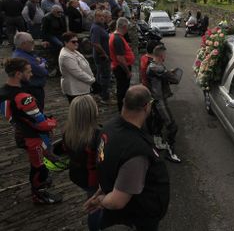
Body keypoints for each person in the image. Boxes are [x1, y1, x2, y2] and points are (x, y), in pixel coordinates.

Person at [84, 85, 170, 231]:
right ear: (146, 107)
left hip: (116, 200)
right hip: (137, 216)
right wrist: (101, 200)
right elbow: (118, 201)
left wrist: (101, 190)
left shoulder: (108, 128)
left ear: (124, 102)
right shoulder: (135, 151)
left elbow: (107, 164)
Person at [0, 58, 62, 204]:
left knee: (37, 165)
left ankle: (38, 192)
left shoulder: (3, 92)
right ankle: (39, 196)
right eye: (28, 71)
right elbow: (42, 124)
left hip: (21, 133)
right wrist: (53, 122)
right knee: (39, 168)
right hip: (33, 138)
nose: (31, 74)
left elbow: (10, 116)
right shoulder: (23, 97)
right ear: (18, 74)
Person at [63, 95, 102, 231]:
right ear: (91, 112)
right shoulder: (96, 136)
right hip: (91, 179)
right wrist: (95, 189)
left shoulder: (68, 130)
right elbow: (97, 164)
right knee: (95, 207)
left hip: (76, 174)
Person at [147, 46, 182, 163]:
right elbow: (175, 79)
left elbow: (163, 75)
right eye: (165, 55)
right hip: (159, 100)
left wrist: (168, 72)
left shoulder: (155, 65)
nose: (165, 57)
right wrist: (174, 72)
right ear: (162, 56)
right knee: (172, 126)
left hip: (157, 98)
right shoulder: (156, 68)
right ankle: (170, 152)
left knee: (158, 121)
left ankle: (157, 143)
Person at [12, 32, 48, 111]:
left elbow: (42, 60)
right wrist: (42, 65)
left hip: (33, 88)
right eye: (31, 41)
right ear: (23, 44)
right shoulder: (22, 58)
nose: (33, 43)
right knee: (36, 112)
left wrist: (41, 63)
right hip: (32, 90)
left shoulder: (26, 53)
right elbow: (43, 72)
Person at [58, 32, 95, 103]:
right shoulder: (65, 56)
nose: (76, 43)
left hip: (80, 88)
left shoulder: (73, 51)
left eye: (77, 41)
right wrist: (92, 81)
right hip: (75, 90)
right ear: (65, 42)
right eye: (73, 41)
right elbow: (78, 73)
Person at [109, 17, 135, 112]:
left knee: (122, 89)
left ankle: (123, 108)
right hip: (121, 69)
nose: (128, 28)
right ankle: (122, 110)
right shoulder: (117, 39)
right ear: (124, 26)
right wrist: (128, 72)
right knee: (122, 90)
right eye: (127, 26)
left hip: (119, 67)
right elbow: (120, 58)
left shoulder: (116, 36)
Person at [90, 10, 113, 105]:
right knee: (105, 76)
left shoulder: (100, 27)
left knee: (100, 75)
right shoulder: (96, 28)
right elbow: (95, 43)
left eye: (103, 16)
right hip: (101, 57)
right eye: (99, 16)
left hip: (102, 56)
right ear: (95, 17)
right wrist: (104, 54)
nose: (102, 17)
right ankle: (105, 97)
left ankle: (100, 94)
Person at [42, 5, 67, 75]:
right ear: (53, 11)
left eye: (61, 12)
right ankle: (58, 63)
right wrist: (44, 40)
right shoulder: (47, 18)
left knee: (68, 43)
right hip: (51, 35)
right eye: (58, 12)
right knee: (60, 44)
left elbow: (64, 28)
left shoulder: (61, 16)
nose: (60, 13)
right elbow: (44, 30)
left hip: (60, 34)